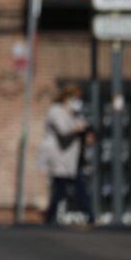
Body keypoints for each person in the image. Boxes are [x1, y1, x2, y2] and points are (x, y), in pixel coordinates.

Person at [38, 83, 94, 225]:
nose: (77, 101)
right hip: (59, 157)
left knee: (63, 189)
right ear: (67, 97)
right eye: (75, 98)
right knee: (66, 189)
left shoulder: (73, 113)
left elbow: (84, 127)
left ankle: (50, 217)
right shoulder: (55, 111)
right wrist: (79, 129)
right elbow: (64, 131)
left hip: (71, 159)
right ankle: (88, 215)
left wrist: (86, 132)